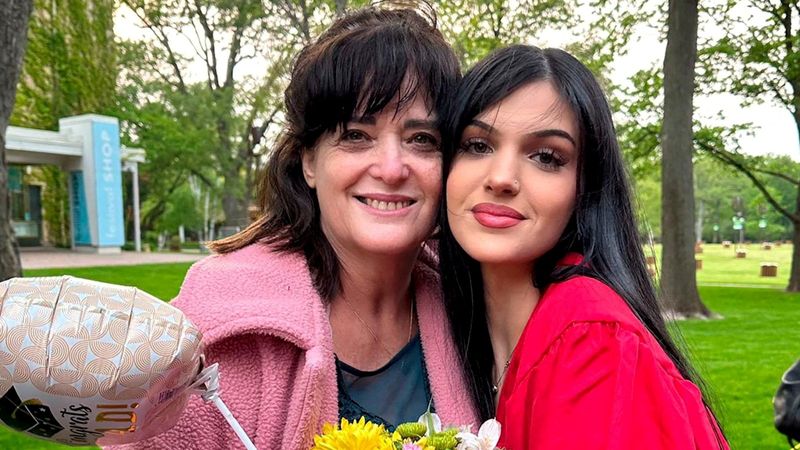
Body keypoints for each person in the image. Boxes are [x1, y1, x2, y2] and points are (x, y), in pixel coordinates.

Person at [108, 6, 477, 450]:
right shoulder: (220, 335)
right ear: (308, 162)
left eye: (423, 140)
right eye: (356, 135)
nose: (392, 168)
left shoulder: (473, 305)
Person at [439, 44, 730, 449]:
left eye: (545, 156)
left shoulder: (592, 344)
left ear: (583, 189)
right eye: (477, 145)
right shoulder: (456, 334)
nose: (502, 177)